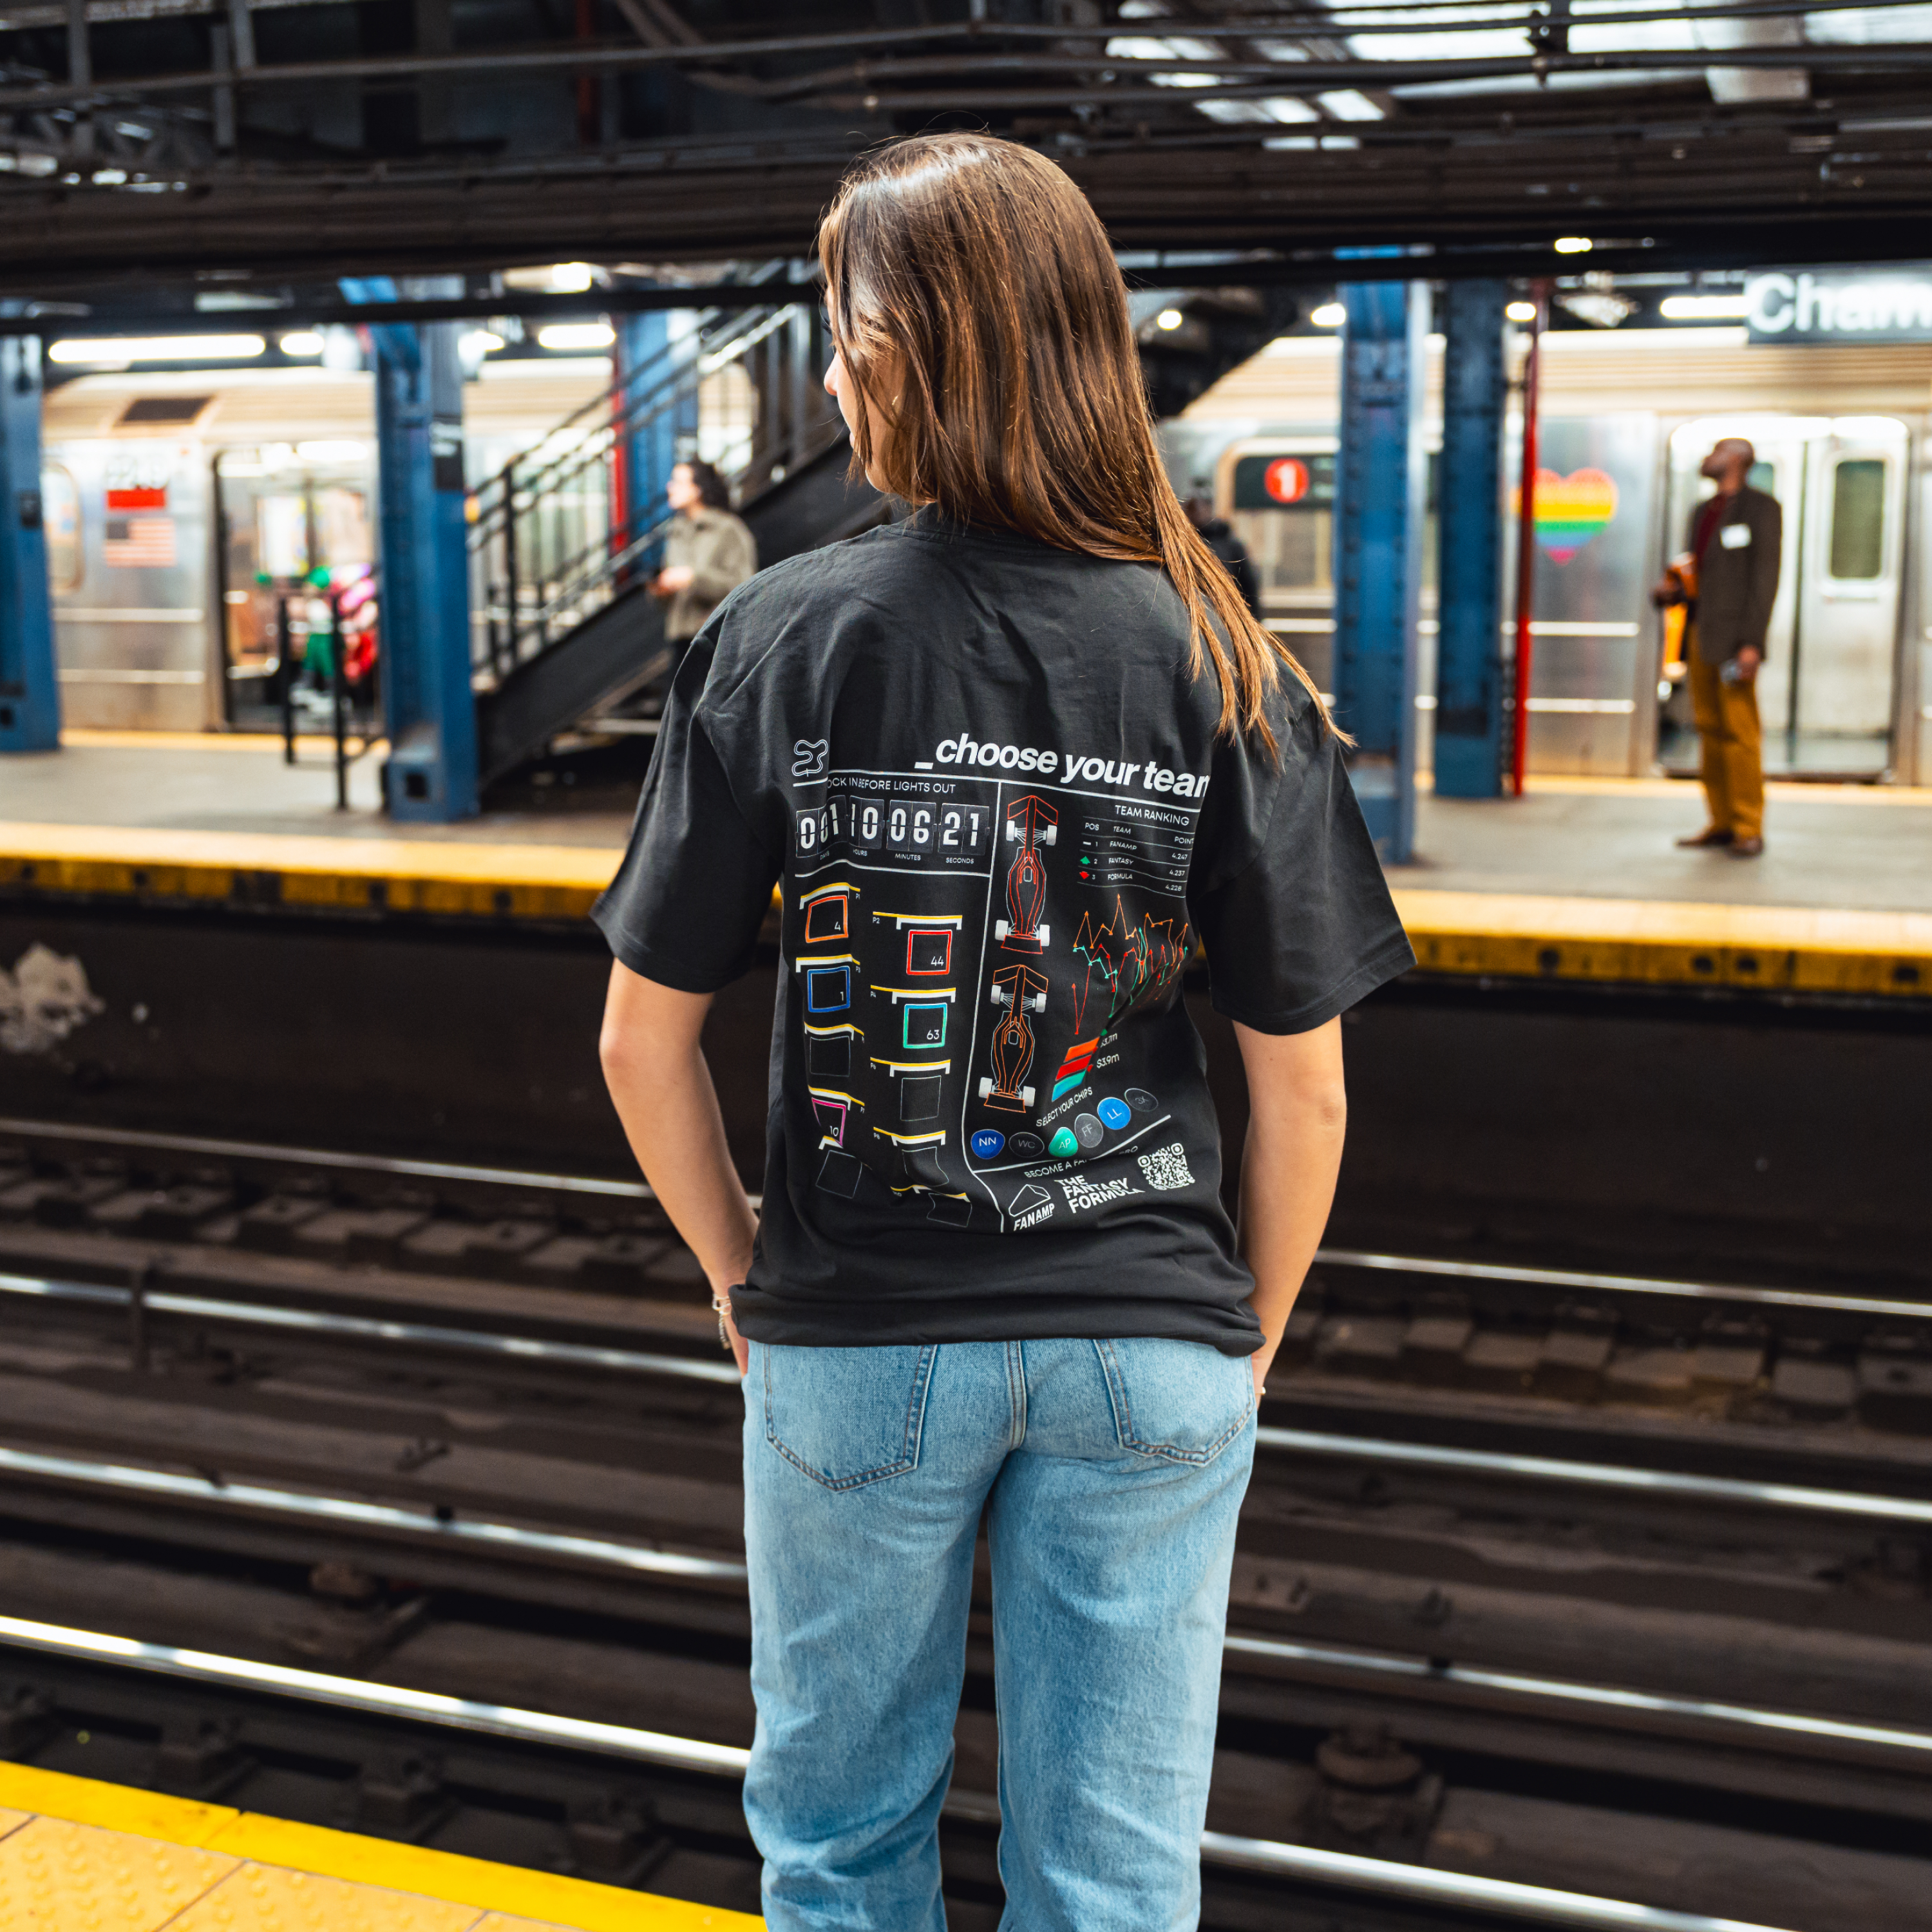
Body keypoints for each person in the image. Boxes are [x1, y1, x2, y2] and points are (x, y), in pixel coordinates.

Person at [595, 132, 1412, 1932]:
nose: (831, 367)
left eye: (841, 328)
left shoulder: (774, 640)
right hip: (1150, 1347)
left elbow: (639, 1050)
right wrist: (1236, 1344)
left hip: (857, 1335)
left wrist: (750, 1284)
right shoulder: (1221, 652)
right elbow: (1310, 1095)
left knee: (839, 1850)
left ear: (898, 356)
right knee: (1114, 1880)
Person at [1653, 436, 1781, 857]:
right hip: (1701, 636)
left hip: (1734, 642)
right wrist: (1673, 590)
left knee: (1740, 733)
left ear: (1738, 460)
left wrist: (1752, 644)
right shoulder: (1701, 513)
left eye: (1717, 452)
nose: (1708, 458)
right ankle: (1721, 822)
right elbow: (1699, 573)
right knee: (1709, 730)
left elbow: (1765, 580)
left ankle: (1749, 826)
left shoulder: (1762, 509)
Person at [654, 457, 757, 672]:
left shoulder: (728, 529)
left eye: (678, 482)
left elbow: (745, 586)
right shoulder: (677, 531)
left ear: (697, 490)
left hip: (716, 641)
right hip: (680, 640)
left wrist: (693, 579)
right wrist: (662, 590)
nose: (669, 487)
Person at [1184, 492, 1262, 620]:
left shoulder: (1230, 545)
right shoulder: (1183, 544)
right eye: (1192, 510)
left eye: (1198, 509)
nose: (1196, 514)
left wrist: (1254, 621)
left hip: (1227, 615)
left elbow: (1248, 585)